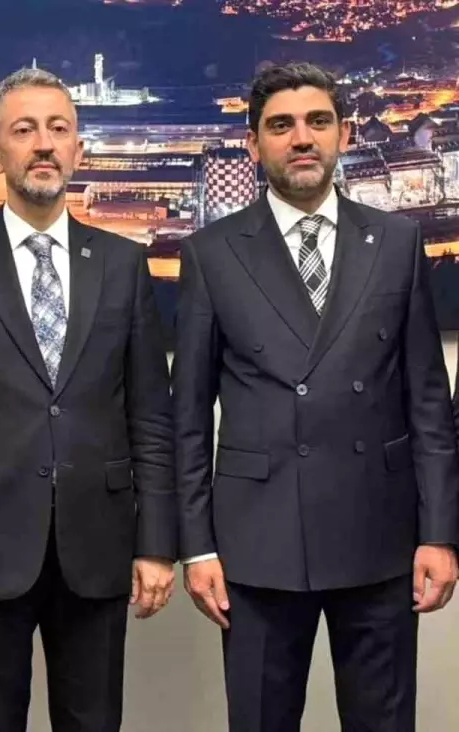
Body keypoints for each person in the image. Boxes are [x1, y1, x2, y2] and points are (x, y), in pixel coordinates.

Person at [174, 61, 459, 732]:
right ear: (253, 144)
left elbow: (428, 403)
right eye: (281, 126)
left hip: (381, 536)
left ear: (344, 134)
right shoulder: (211, 253)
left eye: (317, 122)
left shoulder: (397, 241)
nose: (301, 138)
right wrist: (197, 546)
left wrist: (440, 534)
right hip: (256, 544)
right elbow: (186, 418)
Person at [0, 67, 177, 732]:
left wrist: (157, 543)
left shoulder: (123, 265)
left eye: (58, 129)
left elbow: (151, 418)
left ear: (79, 149)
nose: (44, 144)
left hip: (99, 544)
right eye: (24, 130)